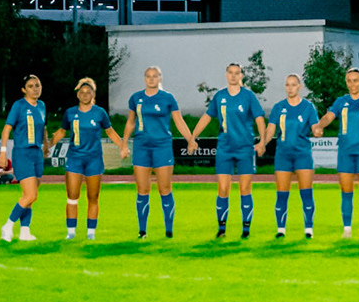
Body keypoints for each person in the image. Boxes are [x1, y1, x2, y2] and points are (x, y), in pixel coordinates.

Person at [188, 64, 268, 238]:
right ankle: (221, 229)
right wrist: (192, 137)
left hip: (245, 148)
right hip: (225, 148)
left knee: (245, 188)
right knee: (223, 188)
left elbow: (260, 119)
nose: (233, 76)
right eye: (230, 73)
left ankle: (245, 229)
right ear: (226, 75)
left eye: (237, 73)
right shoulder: (220, 96)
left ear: (241, 76)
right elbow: (207, 117)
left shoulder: (248, 96)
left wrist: (262, 141)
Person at [314, 67, 359, 238]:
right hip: (345, 152)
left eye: (356, 80)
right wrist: (319, 126)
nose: (352, 84)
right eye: (349, 81)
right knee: (346, 192)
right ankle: (347, 229)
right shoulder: (341, 102)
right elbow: (329, 116)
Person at [125, 65, 196, 238]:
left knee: (164, 188)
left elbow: (178, 121)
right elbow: (130, 122)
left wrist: (190, 139)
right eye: (148, 76)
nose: (151, 79)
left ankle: (169, 230)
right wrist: (123, 143)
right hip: (142, 147)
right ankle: (142, 231)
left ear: (160, 78)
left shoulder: (168, 98)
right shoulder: (136, 98)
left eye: (155, 76)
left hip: (162, 147)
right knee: (142, 189)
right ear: (144, 78)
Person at [55, 78, 124, 240]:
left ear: (93, 94)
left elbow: (110, 132)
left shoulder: (100, 113)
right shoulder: (70, 113)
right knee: (72, 196)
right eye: (82, 92)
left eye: (88, 92)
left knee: (93, 197)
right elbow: (61, 131)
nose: (85, 95)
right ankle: (71, 232)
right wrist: (48, 145)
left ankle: (90, 233)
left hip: (94, 160)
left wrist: (122, 146)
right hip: (75, 159)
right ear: (77, 94)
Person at [261, 74, 320, 238]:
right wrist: (262, 144)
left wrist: (317, 130)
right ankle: (281, 229)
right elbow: (271, 130)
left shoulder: (308, 107)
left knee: (306, 192)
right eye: (287, 85)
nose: (290, 88)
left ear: (300, 87)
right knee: (281, 193)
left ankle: (308, 229)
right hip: (283, 155)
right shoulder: (278, 107)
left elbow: (315, 126)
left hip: (303, 154)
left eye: (293, 85)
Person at [0, 74, 50, 243]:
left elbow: (44, 127)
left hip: (37, 154)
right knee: (31, 194)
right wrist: (3, 152)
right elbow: (6, 129)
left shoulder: (42, 105)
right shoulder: (18, 106)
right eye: (31, 86)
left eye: (38, 85)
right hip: (23, 153)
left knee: (31, 195)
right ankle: (8, 225)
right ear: (23, 90)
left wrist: (46, 145)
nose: (36, 89)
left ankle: (25, 231)